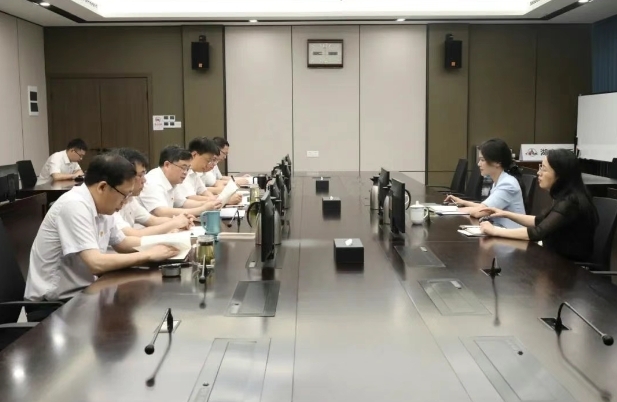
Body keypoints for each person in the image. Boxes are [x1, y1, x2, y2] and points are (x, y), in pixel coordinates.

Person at [24, 153, 178, 311]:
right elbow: (96, 263)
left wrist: (167, 244)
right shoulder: (74, 205)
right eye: (124, 195)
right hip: (53, 305)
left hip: (83, 293)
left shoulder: (103, 207)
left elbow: (123, 243)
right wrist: (148, 254)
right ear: (102, 187)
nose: (125, 202)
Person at [479, 149, 598, 261]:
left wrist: (494, 231)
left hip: (569, 267)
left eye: (544, 169)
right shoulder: (566, 197)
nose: (538, 173)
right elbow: (539, 221)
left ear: (560, 175)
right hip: (554, 259)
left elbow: (538, 232)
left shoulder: (570, 203)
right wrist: (505, 214)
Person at [445, 138, 526, 228]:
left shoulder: (508, 184)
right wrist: (462, 202)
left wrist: (454, 210)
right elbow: (485, 207)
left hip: (511, 234)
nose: (479, 164)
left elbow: (480, 212)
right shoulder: (500, 180)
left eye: (482, 160)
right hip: (500, 230)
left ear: (497, 163)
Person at [112, 148, 193, 236]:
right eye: (140, 175)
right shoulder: (112, 202)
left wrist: (180, 220)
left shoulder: (130, 199)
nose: (145, 180)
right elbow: (131, 235)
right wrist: (174, 223)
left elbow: (152, 220)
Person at [140, 145, 222, 218]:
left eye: (188, 168)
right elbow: (161, 212)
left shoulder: (172, 180)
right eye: (183, 167)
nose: (185, 172)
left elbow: (183, 203)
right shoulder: (153, 181)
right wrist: (202, 209)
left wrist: (207, 204)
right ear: (167, 165)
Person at [177, 137, 241, 205]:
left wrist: (218, 199)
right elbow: (190, 198)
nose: (209, 164)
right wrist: (223, 200)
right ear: (194, 155)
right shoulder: (183, 172)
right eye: (208, 160)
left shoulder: (194, 173)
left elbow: (204, 191)